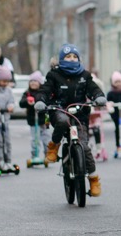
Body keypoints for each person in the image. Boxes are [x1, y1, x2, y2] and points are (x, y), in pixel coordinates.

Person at [36, 44, 108, 197]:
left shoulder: (85, 75)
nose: (72, 59)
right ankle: (54, 146)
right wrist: (41, 100)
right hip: (59, 111)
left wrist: (99, 97)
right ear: (62, 59)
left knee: (85, 147)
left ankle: (94, 179)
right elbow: (45, 90)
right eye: (68, 57)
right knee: (63, 121)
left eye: (75, 56)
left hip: (80, 114)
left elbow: (93, 89)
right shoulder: (53, 75)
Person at [19, 71, 51, 165]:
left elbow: (47, 101)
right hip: (33, 120)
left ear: (40, 83)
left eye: (35, 81)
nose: (33, 83)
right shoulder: (27, 93)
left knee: (46, 137)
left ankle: (47, 154)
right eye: (31, 81)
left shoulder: (43, 92)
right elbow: (21, 103)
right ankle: (34, 155)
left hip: (45, 118)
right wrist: (27, 101)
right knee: (35, 139)